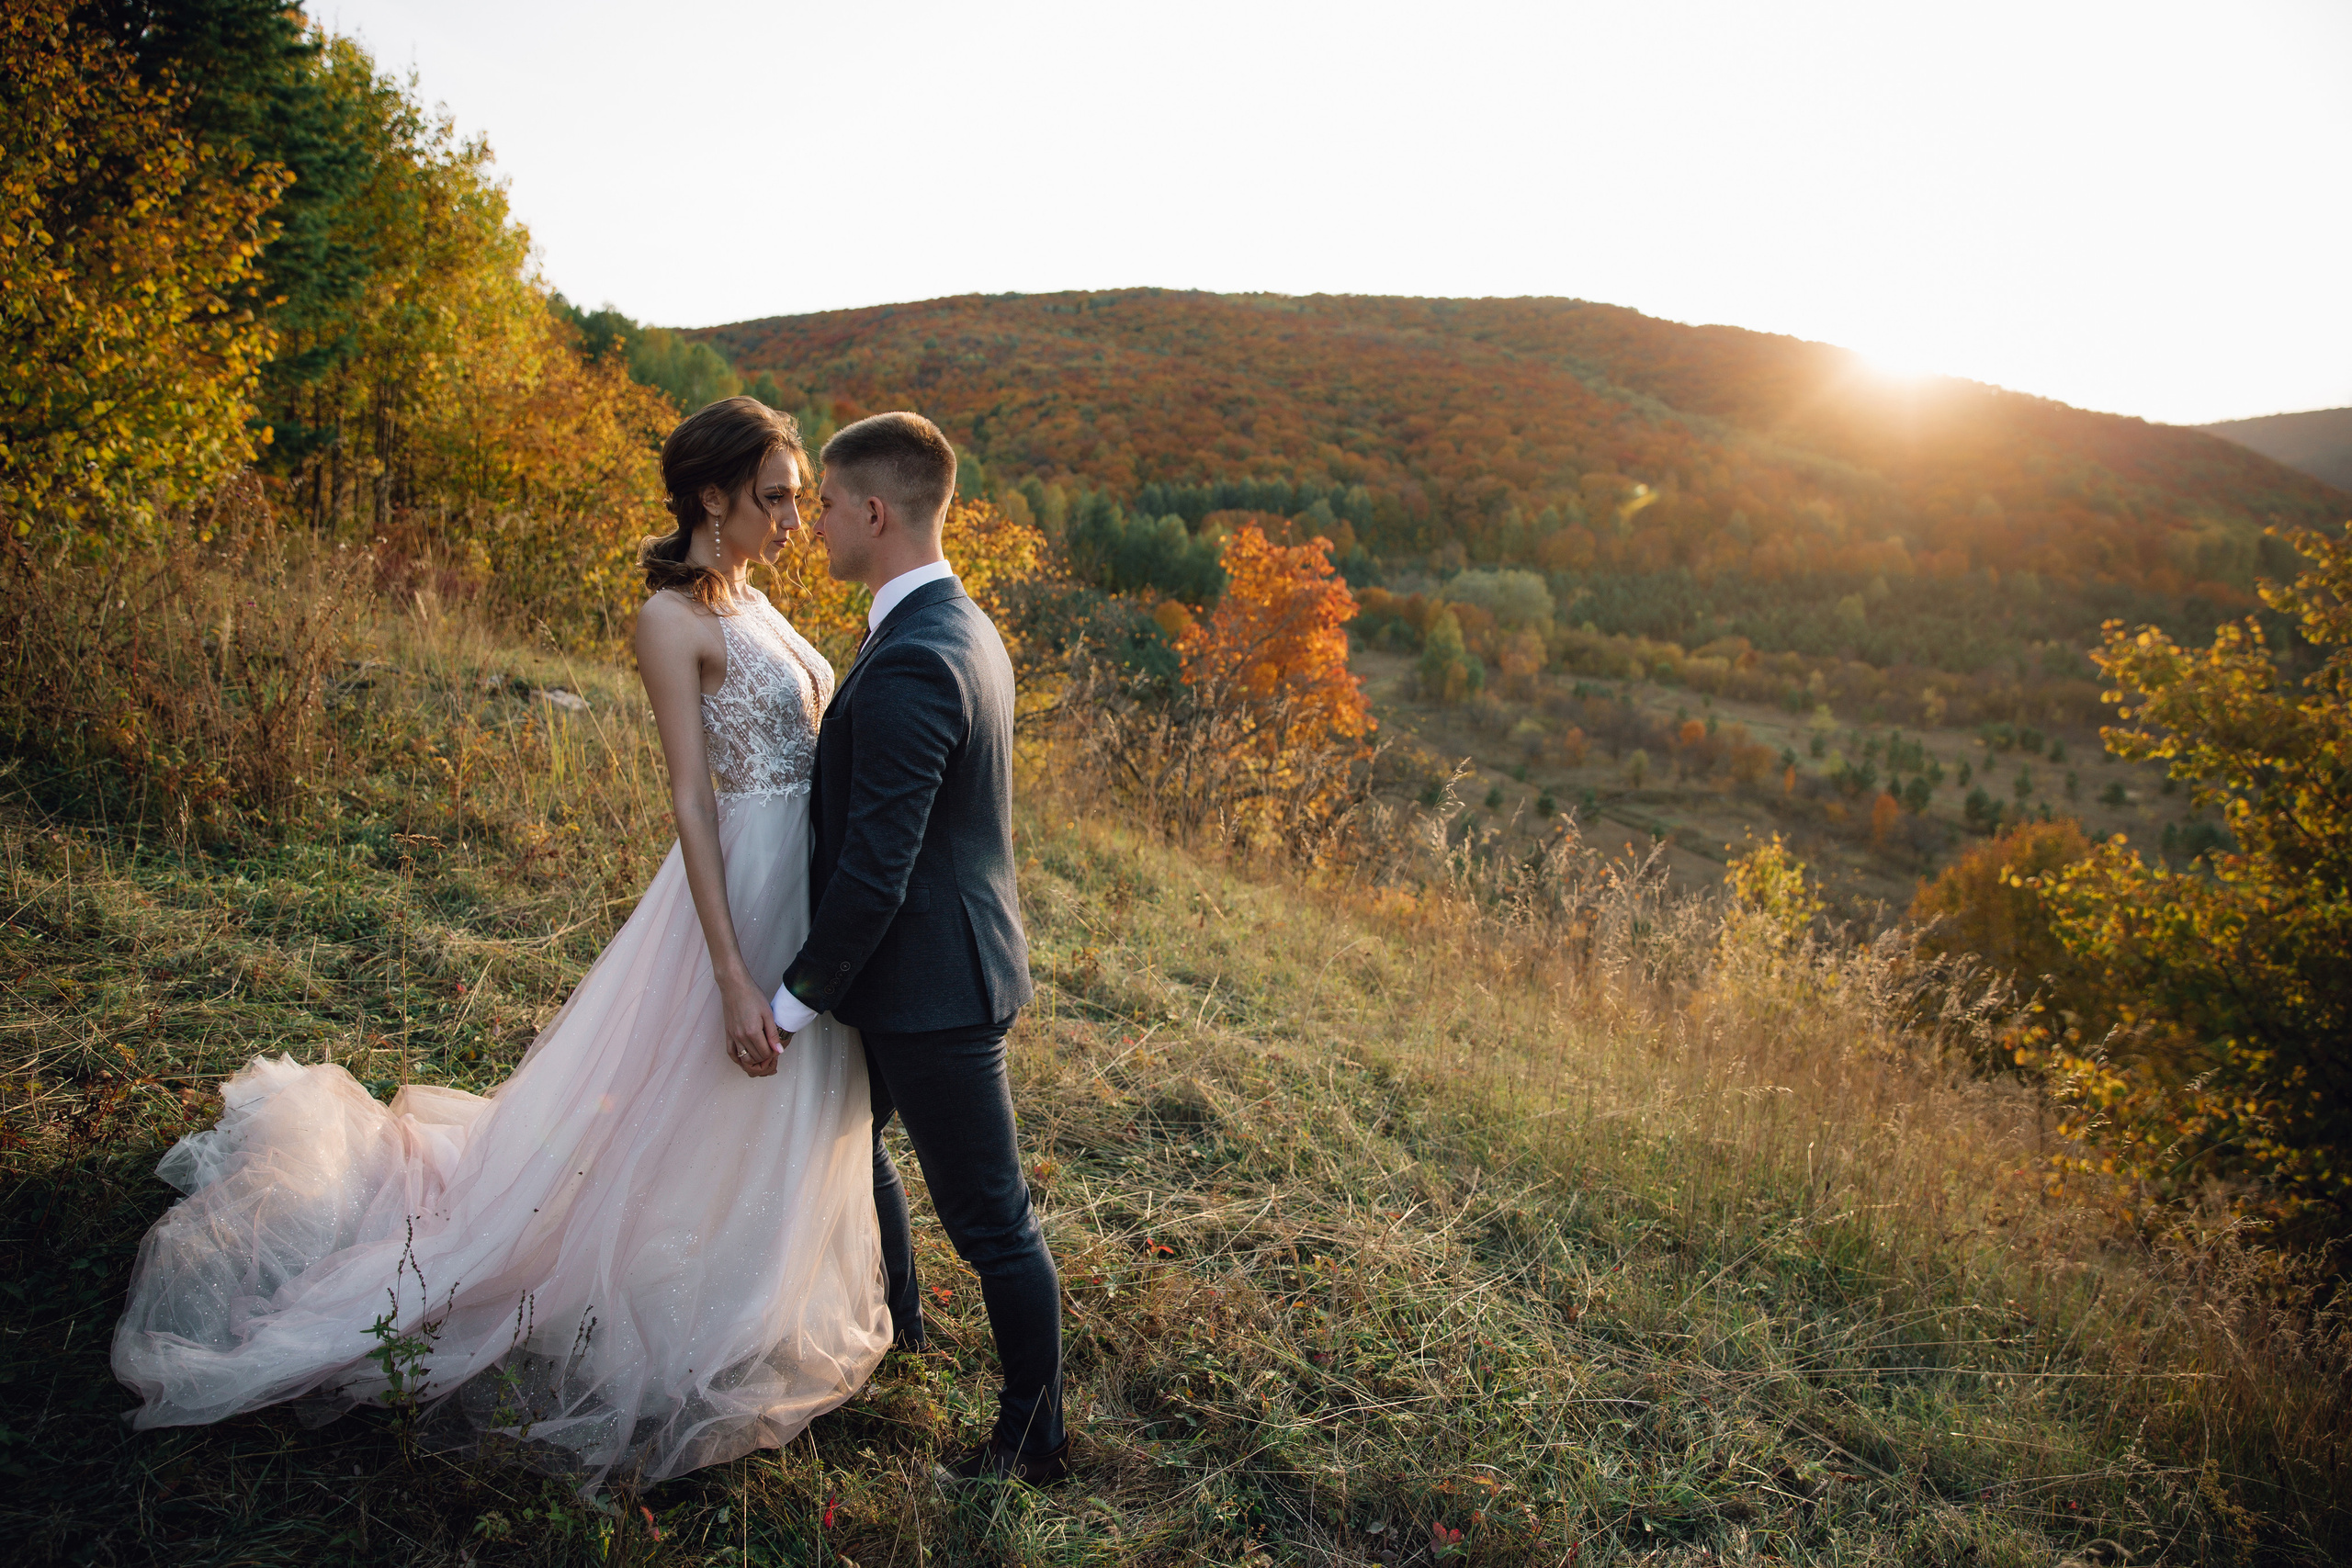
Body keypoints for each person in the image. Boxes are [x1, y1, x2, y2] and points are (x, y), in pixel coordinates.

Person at [110, 396, 890, 1488]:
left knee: (776, 1097)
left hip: (806, 880)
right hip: (741, 886)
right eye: (773, 498)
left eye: (800, 500)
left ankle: (752, 1277)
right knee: (707, 1080)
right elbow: (690, 800)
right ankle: (665, 1294)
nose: (794, 520)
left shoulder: (759, 602)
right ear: (712, 496)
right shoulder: (672, 621)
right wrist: (725, 968)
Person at [770, 411, 1066, 1484]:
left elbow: (876, 871)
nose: (817, 527)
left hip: (936, 987)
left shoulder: (910, 662)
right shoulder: (960, 622)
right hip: (934, 967)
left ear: (876, 511)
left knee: (994, 1222)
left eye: (831, 507)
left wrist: (796, 998)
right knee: (861, 1142)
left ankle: (1035, 1441)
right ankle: (899, 1319)